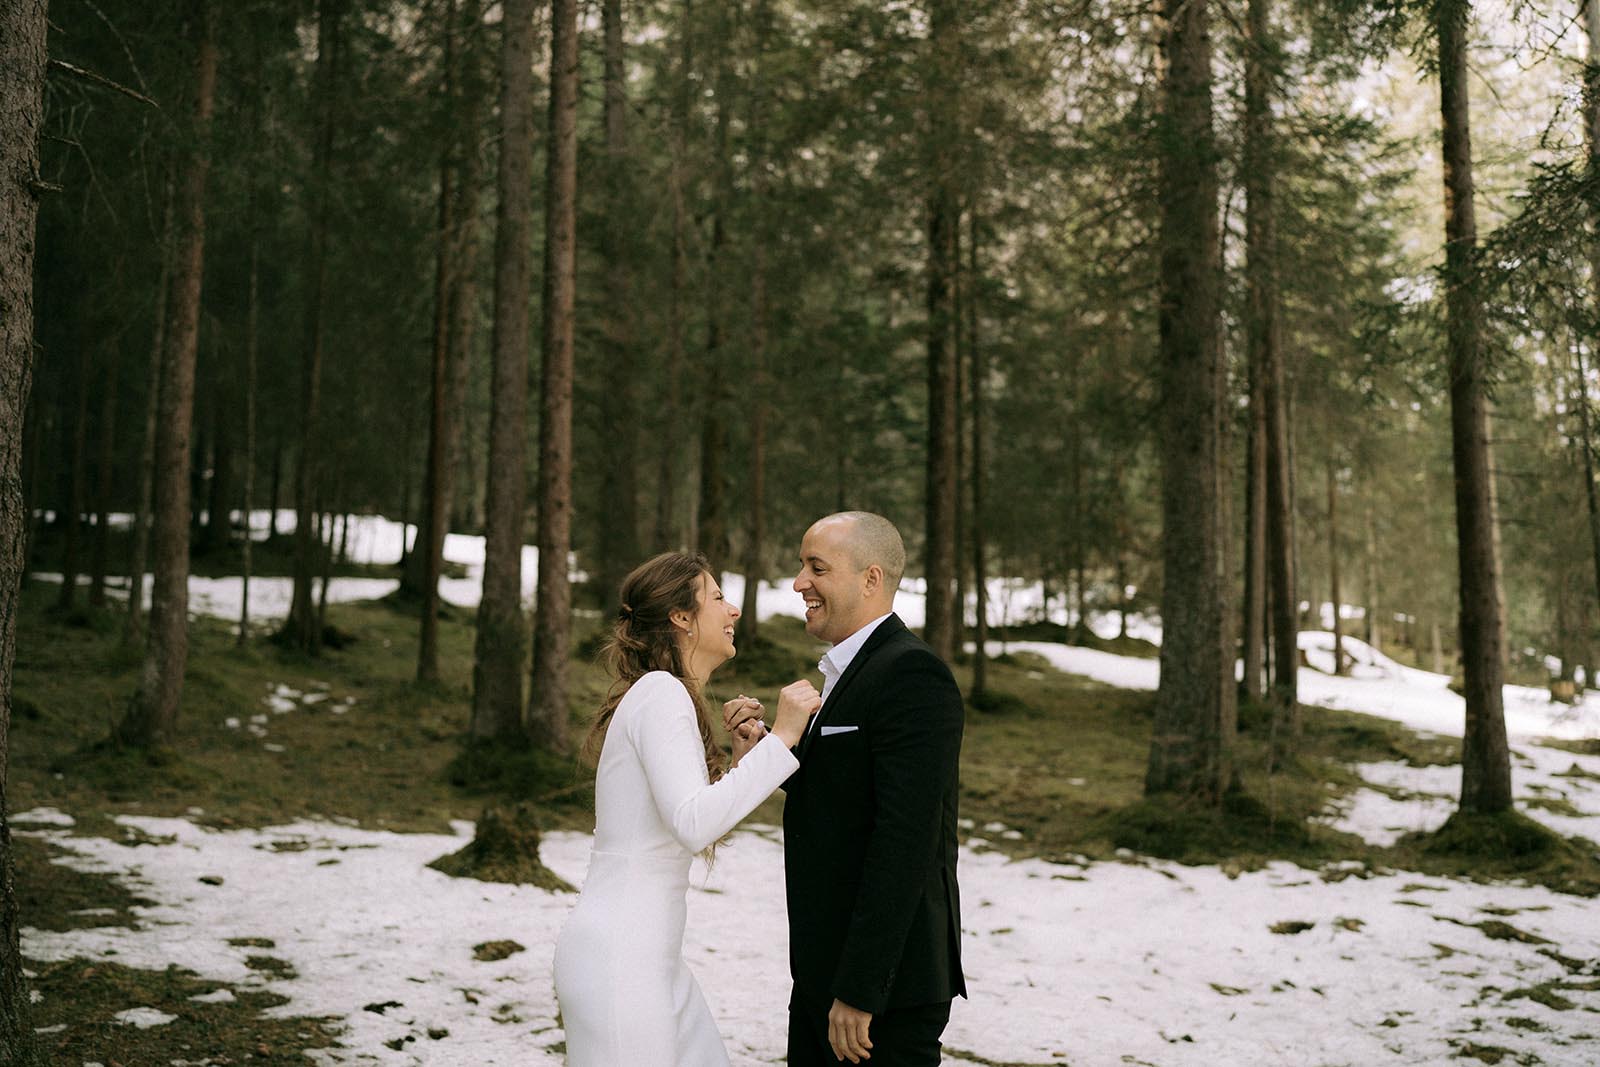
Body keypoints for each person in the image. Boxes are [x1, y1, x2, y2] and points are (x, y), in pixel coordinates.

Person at [552, 551, 817, 1067]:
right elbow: (694, 825)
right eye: (717, 597)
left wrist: (746, 759)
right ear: (680, 617)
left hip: (652, 960)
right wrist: (783, 736)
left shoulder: (663, 696)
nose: (733, 610)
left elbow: (685, 821)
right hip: (621, 962)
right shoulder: (660, 693)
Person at [726, 511, 967, 1065]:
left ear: (871, 579)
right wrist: (765, 744)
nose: (798, 582)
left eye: (817, 568)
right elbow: (841, 795)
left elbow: (905, 841)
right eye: (800, 565)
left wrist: (861, 990)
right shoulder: (852, 670)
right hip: (822, 974)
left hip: (881, 993)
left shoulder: (912, 675)